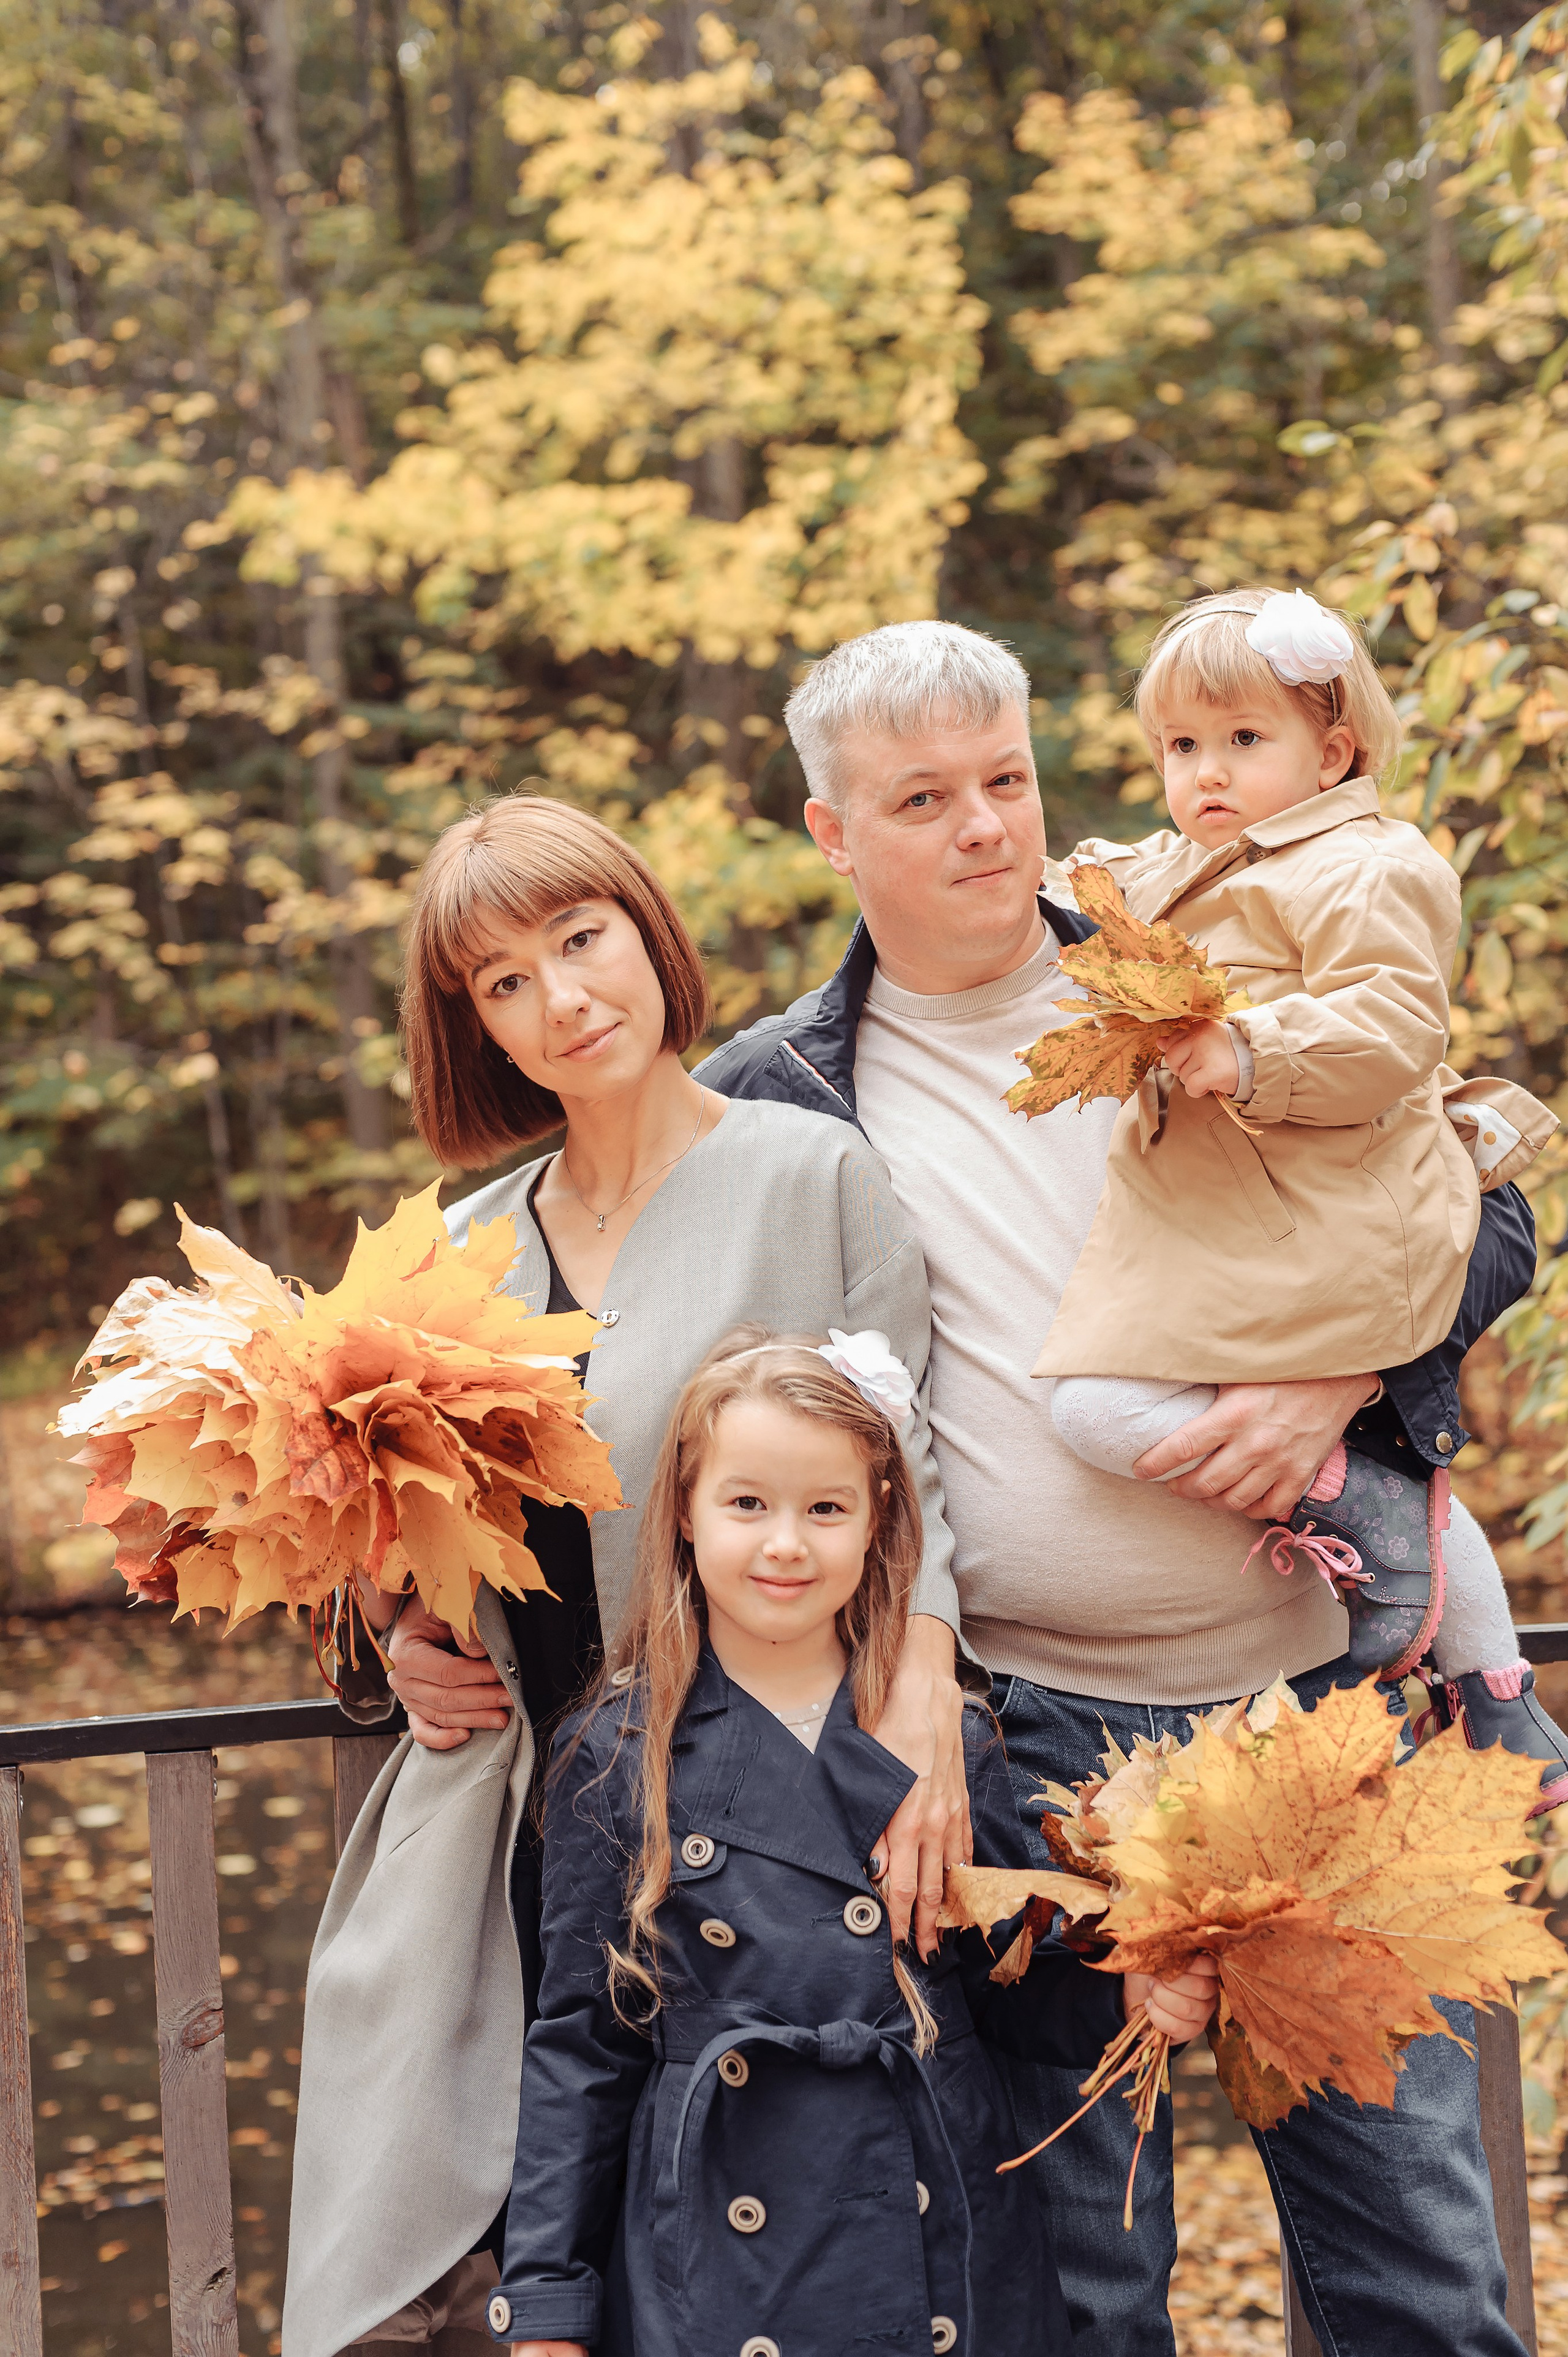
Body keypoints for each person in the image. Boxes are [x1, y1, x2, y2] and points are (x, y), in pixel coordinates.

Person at [694, 617, 1539, 2357]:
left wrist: (1343, 1373)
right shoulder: (773, 1104)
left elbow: (1486, 1205)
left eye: (1007, 779)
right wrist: (400, 1630)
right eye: (924, 799)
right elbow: (651, 1405)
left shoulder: (1193, 970)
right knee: (1079, 2291)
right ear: (831, 834)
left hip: (1327, 1708)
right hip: (1034, 1751)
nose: (989, 828)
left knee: (1420, 2267)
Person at [282, 798, 967, 2357]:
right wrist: (387, 1635)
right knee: (462, 2261)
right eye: (502, 983)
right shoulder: (453, 1249)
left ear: (647, 935)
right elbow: (370, 1526)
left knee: (743, 2242)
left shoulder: (818, 1175)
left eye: (578, 942)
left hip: (755, 1807)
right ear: (474, 1030)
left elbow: (915, 1471)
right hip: (513, 1813)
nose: (561, 998)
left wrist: (925, 1677)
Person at [484, 1328, 1218, 2357]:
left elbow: (1002, 1982)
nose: (786, 1543)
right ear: (685, 1518)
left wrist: (1126, 1997)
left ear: (879, 1524)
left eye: (825, 1508)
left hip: (934, 2199)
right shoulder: (618, 1752)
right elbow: (582, 2045)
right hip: (720, 2229)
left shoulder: (947, 1744)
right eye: (748, 1504)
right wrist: (548, 2308)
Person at [1031, 587, 1565, 1791]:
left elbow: (1388, 1022)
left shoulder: (1367, 864)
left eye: (1241, 740)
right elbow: (1098, 881)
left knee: (1121, 1408)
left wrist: (1250, 1049)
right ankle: (1474, 1669)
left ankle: (1434, 1614)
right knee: (1099, 1409)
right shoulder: (1192, 865)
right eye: (1179, 747)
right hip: (1232, 1219)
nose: (1204, 773)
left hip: (1332, 1202)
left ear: (1331, 748)